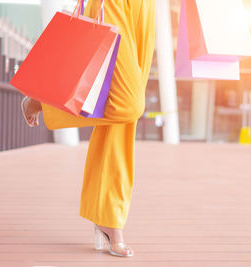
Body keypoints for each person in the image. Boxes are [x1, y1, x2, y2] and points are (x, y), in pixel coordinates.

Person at [20, 0, 156, 257]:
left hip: (146, 7)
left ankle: (110, 218)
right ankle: (44, 102)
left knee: (123, 123)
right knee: (128, 104)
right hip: (114, 4)